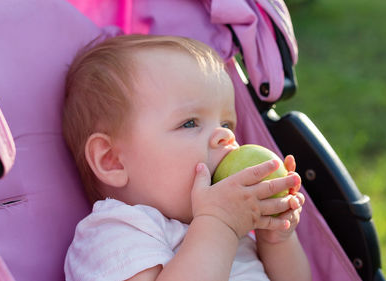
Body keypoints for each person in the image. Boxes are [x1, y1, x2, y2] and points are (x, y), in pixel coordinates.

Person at [62, 34, 311, 281]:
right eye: (190, 123)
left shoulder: (232, 227)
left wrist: (276, 239)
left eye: (227, 123)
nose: (225, 136)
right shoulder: (115, 232)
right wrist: (218, 224)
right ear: (112, 160)